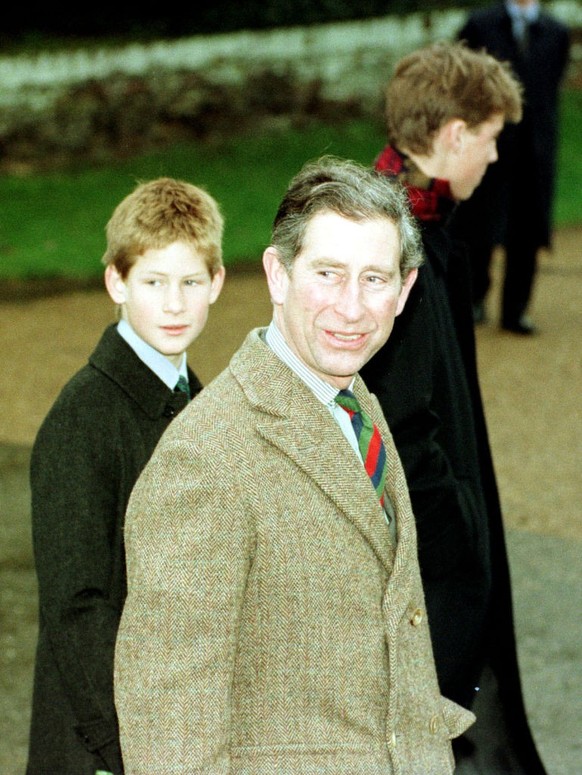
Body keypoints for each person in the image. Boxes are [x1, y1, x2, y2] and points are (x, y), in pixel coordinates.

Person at [114, 155, 476, 774]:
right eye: (328, 273)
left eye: (374, 278)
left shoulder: (358, 405)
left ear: (405, 290)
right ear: (277, 275)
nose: (352, 308)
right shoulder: (206, 460)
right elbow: (168, 725)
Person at [360, 42, 549, 774]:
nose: (496, 157)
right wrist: (463, 539)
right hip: (431, 584)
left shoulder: (429, 233)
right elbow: (402, 427)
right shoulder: (391, 253)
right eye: (492, 138)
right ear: (454, 136)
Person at [26, 177, 226, 775]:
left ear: (217, 283)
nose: (174, 304)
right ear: (116, 281)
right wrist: (130, 749)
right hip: (106, 744)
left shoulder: (204, 402)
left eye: (191, 283)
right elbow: (76, 608)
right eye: (153, 282)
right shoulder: (81, 421)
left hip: (188, 726)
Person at [451, 0, 571, 334]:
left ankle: (515, 310)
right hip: (489, 145)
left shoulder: (556, 32)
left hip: (536, 151)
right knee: (478, 225)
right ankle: (474, 299)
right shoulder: (480, 24)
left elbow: (552, 82)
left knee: (528, 230)